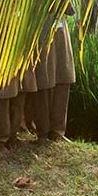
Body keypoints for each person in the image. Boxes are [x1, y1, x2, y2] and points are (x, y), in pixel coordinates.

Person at [31, 14, 77, 143]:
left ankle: (57, 131)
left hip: (61, 33)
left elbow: (71, 11)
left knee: (63, 78)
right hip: (42, 30)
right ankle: (43, 132)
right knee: (44, 81)